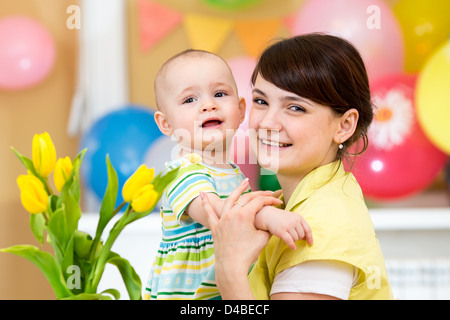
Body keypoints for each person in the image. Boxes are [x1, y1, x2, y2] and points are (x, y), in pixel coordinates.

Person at [201, 33, 394, 300]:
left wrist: (229, 270)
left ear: (344, 125)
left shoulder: (318, 228)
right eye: (261, 101)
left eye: (295, 107)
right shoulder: (306, 200)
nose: (267, 122)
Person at [144, 49, 312, 300]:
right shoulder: (181, 171)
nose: (208, 105)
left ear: (240, 109)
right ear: (166, 123)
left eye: (220, 94)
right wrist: (268, 215)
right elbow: (218, 212)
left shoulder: (231, 170)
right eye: (190, 100)